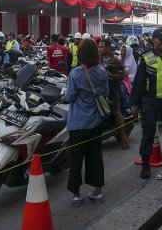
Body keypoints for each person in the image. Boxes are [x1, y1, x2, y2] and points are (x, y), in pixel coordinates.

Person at [130, 28, 162, 179]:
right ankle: (145, 164)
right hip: (150, 100)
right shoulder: (145, 58)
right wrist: (134, 103)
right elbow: (138, 82)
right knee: (148, 131)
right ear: (153, 40)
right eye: (159, 39)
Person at [64, 38, 107, 208]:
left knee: (76, 158)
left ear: (80, 54)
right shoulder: (101, 72)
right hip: (96, 121)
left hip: (78, 124)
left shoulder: (75, 73)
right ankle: (97, 192)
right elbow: (105, 92)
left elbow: (69, 97)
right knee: (95, 156)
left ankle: (76, 195)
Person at [98, 39, 130, 150]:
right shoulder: (97, 60)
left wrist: (109, 75)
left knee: (116, 111)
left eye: (101, 47)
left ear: (107, 48)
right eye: (99, 47)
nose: (99, 49)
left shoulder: (116, 61)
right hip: (99, 92)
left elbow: (121, 76)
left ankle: (123, 135)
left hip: (112, 91)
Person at [120, 44, 137, 116]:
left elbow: (126, 71)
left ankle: (127, 106)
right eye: (122, 50)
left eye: (125, 51)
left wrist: (123, 59)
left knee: (122, 89)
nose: (123, 52)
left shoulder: (130, 60)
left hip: (129, 79)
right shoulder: (118, 57)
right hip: (119, 78)